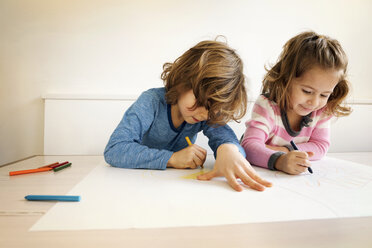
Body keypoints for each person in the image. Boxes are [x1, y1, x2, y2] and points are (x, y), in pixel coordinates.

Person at [104, 39, 272, 191]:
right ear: (183, 82)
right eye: (200, 102)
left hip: (176, 189)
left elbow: (228, 141)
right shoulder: (151, 102)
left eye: (213, 110)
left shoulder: (206, 115)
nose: (204, 114)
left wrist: (229, 150)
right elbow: (114, 149)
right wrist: (172, 158)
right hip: (133, 185)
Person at [241, 31, 351, 175]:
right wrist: (280, 160)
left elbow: (320, 146)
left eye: (324, 95)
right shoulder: (267, 106)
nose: (314, 102)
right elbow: (249, 147)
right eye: (307, 91)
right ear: (286, 79)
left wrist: (286, 151)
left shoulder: (322, 110)